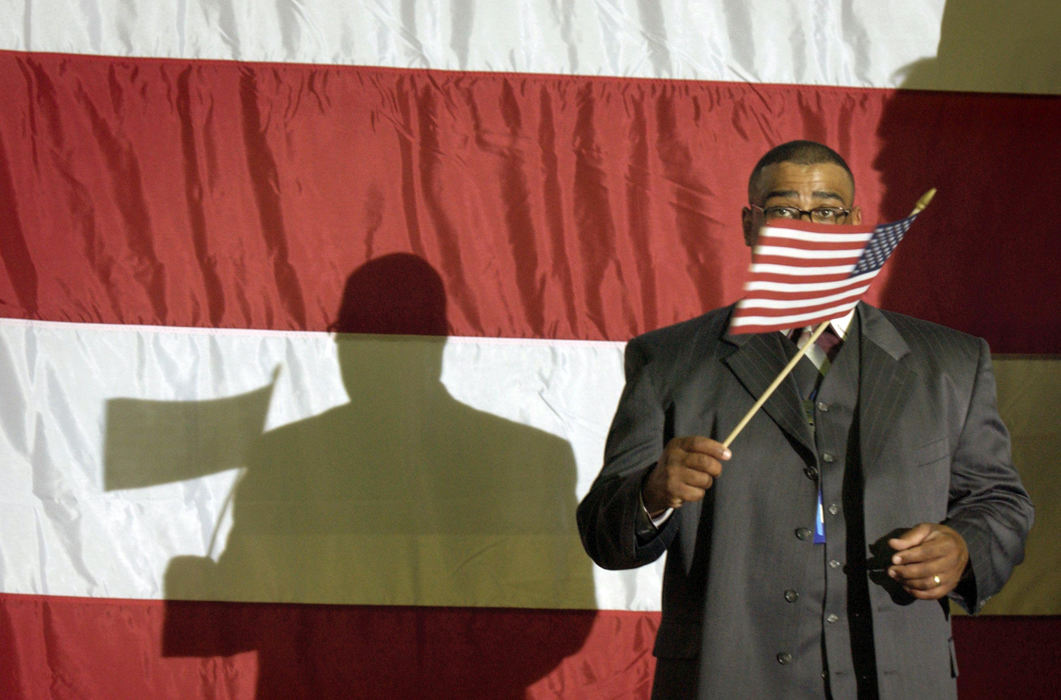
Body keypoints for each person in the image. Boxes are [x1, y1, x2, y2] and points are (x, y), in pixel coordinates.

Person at [576, 141, 1033, 698]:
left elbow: (1000, 503)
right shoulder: (669, 360)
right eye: (785, 209)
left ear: (855, 224)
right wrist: (652, 493)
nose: (809, 225)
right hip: (729, 676)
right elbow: (605, 533)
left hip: (899, 677)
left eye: (828, 210)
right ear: (751, 224)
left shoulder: (951, 362)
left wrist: (963, 548)